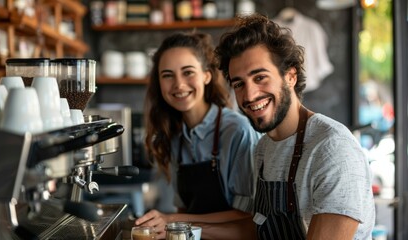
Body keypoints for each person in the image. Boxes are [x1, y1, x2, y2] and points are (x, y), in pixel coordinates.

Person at [214, 14, 376, 239]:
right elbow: (259, 228)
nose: (249, 95)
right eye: (239, 84)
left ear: (290, 76)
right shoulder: (263, 148)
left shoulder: (331, 147)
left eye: (260, 77)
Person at [135, 31, 261, 239]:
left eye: (188, 72)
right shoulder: (174, 137)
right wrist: (165, 225)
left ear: (206, 75)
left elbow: (248, 215)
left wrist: (173, 221)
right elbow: (185, 211)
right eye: (167, 75)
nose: (178, 84)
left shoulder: (236, 131)